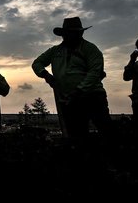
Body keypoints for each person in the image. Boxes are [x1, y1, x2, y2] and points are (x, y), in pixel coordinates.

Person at [32, 17, 114, 145]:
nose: (68, 36)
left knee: (106, 131)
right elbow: (37, 63)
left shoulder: (90, 49)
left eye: (73, 33)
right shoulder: (55, 50)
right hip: (68, 99)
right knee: (77, 135)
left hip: (92, 96)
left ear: (79, 33)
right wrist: (46, 75)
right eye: (67, 33)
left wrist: (78, 91)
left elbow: (94, 73)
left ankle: (113, 159)